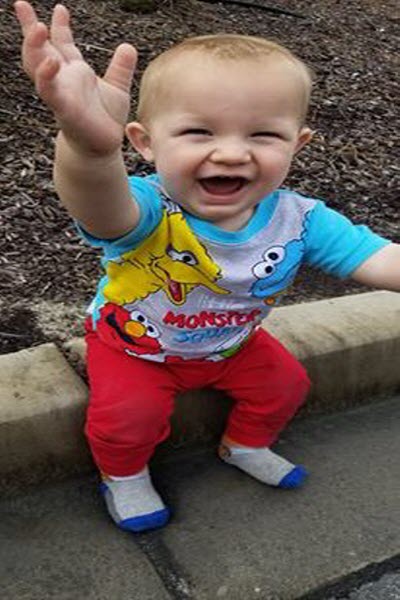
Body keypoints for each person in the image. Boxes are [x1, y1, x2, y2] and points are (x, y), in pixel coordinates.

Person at [15, 0, 400, 533]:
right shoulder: (149, 209)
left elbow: (377, 258)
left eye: (263, 135)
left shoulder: (301, 220)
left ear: (298, 144)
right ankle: (123, 474)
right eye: (199, 132)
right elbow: (99, 205)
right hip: (134, 348)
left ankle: (244, 444)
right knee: (127, 420)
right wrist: (90, 151)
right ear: (145, 142)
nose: (232, 153)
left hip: (231, 345)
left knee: (286, 384)